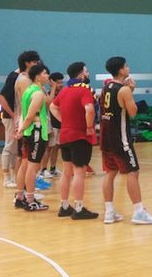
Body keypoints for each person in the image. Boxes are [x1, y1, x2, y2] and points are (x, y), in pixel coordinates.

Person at [100, 57, 152, 225]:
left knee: (110, 173)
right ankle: (139, 212)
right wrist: (131, 90)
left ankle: (109, 212)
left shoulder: (106, 87)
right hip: (121, 139)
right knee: (132, 173)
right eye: (126, 66)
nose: (128, 68)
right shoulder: (124, 90)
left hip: (106, 137)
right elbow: (133, 112)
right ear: (121, 70)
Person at [50, 62, 98, 220]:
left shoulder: (64, 91)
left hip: (64, 135)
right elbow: (89, 109)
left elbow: (52, 107)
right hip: (79, 136)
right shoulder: (84, 90)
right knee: (79, 172)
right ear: (81, 75)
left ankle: (64, 206)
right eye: (87, 71)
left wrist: (64, 122)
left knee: (66, 172)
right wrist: (90, 126)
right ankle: (78, 207)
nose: (88, 73)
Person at [14, 63, 50, 211]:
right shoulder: (37, 93)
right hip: (35, 131)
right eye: (45, 73)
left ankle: (19, 196)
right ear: (38, 76)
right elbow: (29, 115)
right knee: (32, 166)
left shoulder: (29, 90)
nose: (48, 76)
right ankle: (30, 200)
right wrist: (20, 130)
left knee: (25, 164)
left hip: (29, 131)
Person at [12, 51, 44, 199]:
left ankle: (21, 194)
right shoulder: (26, 82)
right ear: (27, 63)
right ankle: (28, 194)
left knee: (26, 161)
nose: (37, 65)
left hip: (26, 122)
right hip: (30, 124)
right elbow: (30, 107)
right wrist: (23, 127)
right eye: (35, 62)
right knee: (29, 162)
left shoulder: (26, 81)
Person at [39, 72, 64, 178]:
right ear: (52, 83)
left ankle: (53, 168)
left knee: (56, 147)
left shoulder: (63, 93)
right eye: (58, 83)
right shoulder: (49, 94)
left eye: (61, 82)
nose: (60, 85)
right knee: (48, 148)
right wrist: (53, 87)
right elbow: (50, 104)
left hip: (61, 124)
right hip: (51, 124)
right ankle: (43, 169)